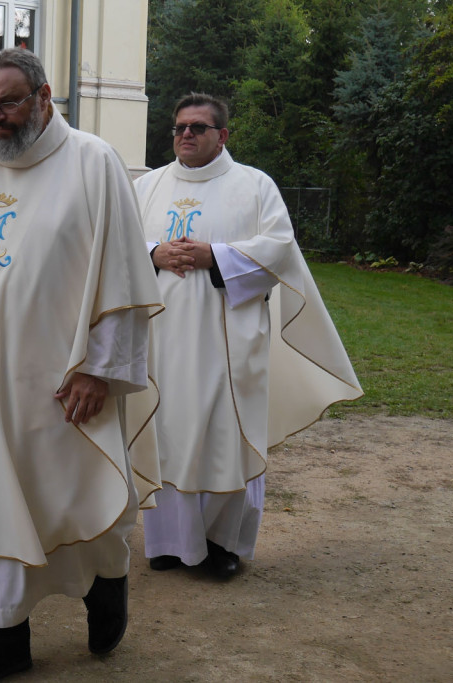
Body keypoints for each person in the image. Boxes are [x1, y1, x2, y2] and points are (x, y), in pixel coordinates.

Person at [0, 48, 163, 682]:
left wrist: (99, 371)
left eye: (11, 103)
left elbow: (123, 275)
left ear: (45, 96)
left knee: (71, 495)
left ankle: (106, 586)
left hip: (59, 380)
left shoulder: (93, 162)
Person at [133, 93, 362, 578]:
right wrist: (154, 253)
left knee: (223, 434)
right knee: (166, 431)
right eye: (179, 128)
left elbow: (279, 248)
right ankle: (170, 543)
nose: (185, 135)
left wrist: (212, 256)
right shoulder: (147, 186)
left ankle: (222, 545)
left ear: (223, 135)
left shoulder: (254, 186)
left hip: (228, 339)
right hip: (161, 339)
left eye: (197, 127)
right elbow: (120, 243)